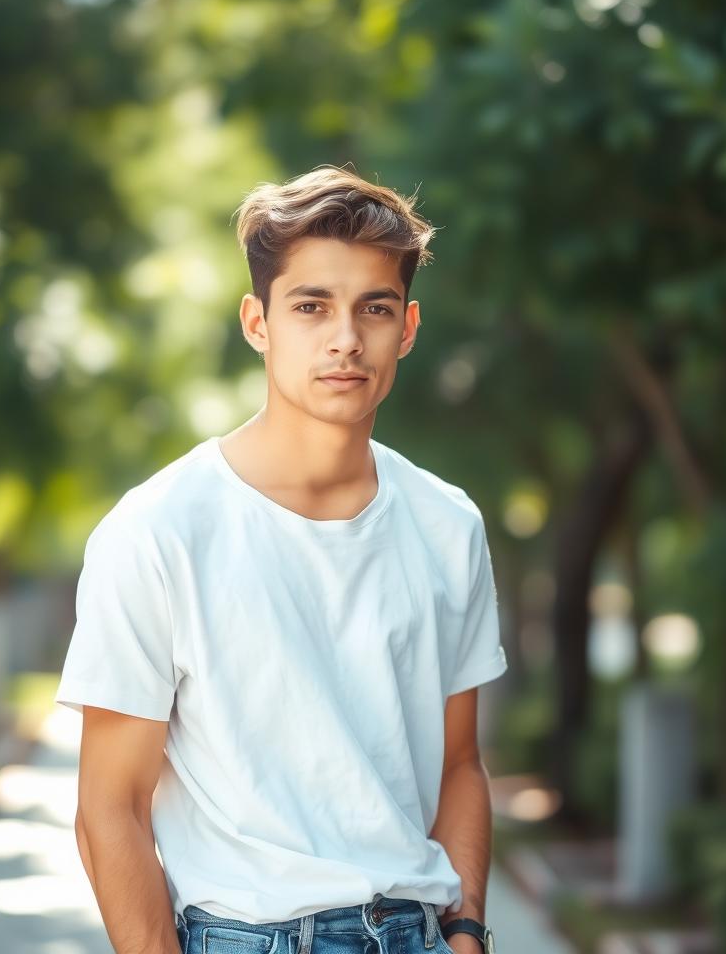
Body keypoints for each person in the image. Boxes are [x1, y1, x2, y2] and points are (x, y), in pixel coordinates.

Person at [55, 164, 507, 954]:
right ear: (257, 323)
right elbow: (109, 812)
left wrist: (466, 931)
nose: (344, 339)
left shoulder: (448, 524)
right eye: (310, 307)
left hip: (415, 934)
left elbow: (461, 764)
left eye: (374, 308)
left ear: (407, 327)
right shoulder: (158, 531)